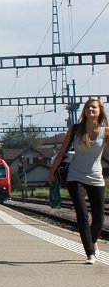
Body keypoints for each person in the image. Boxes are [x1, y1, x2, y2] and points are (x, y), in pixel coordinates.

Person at [48, 98, 108, 264]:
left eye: (93, 107)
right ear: (84, 111)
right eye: (87, 107)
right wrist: (52, 171)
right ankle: (90, 253)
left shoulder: (106, 132)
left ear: (100, 110)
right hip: (75, 177)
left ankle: (93, 241)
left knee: (99, 219)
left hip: (96, 177)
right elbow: (62, 152)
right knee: (82, 215)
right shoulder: (75, 130)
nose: (90, 109)